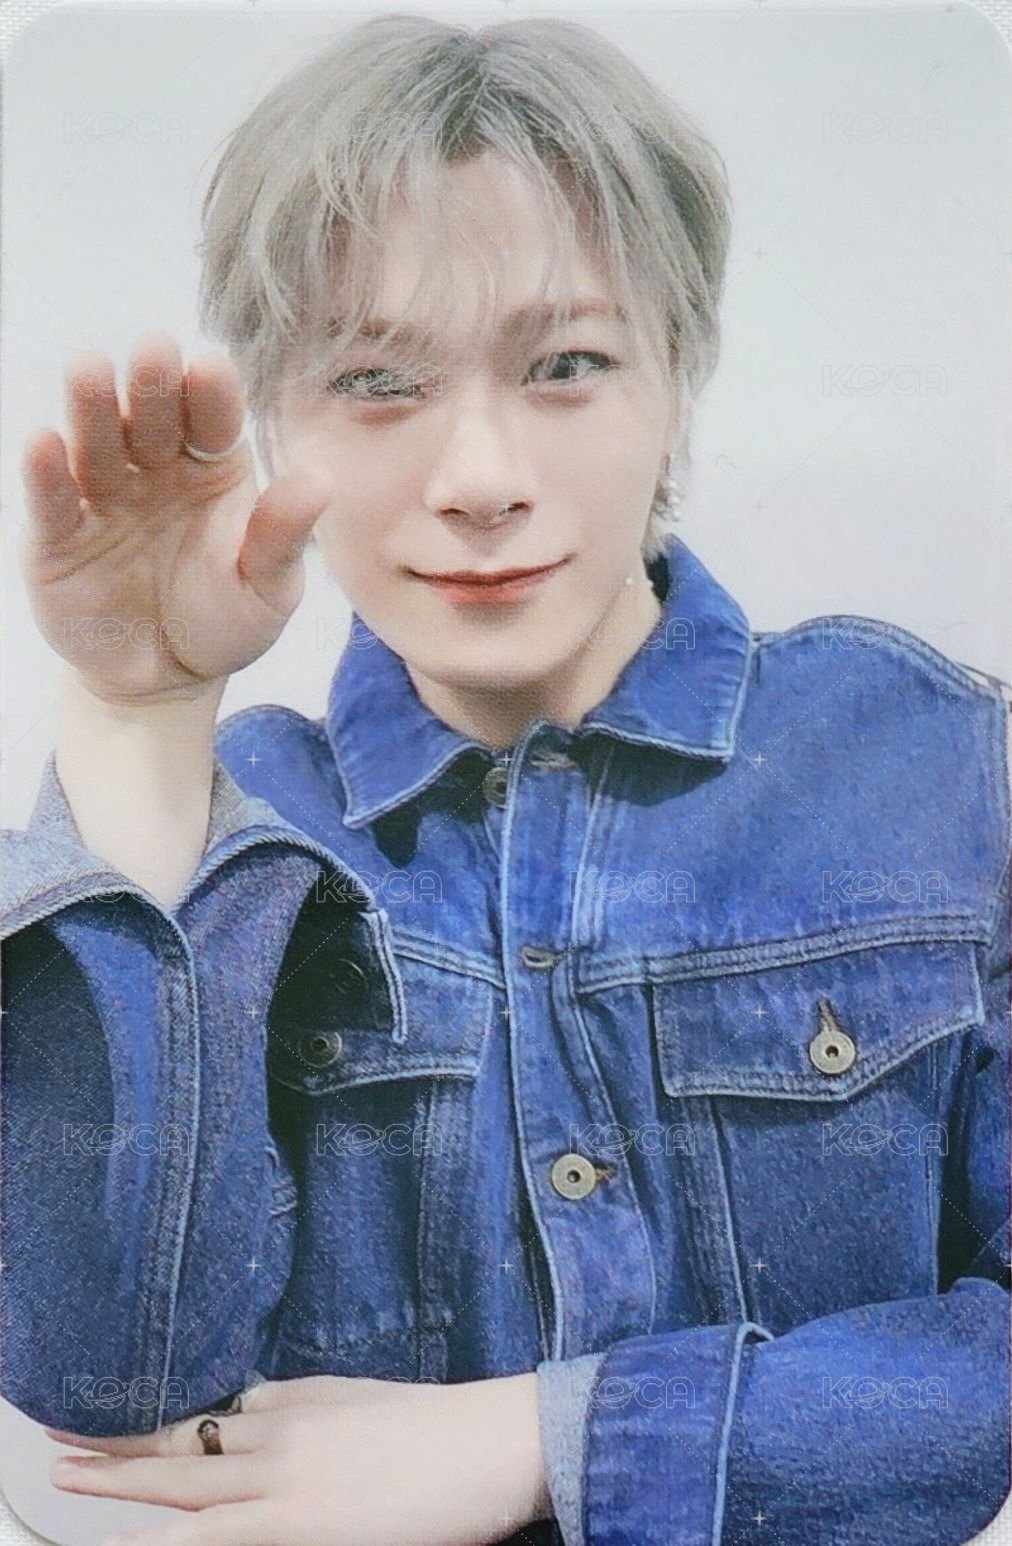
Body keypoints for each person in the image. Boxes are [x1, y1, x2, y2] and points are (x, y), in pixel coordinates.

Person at [3, 13, 1009, 1546]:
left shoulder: (939, 759)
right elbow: (112, 1394)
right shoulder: (235, 825)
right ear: (275, 413)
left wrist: (549, 1440)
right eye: (378, 380)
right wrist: (140, 714)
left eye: (566, 364)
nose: (479, 478)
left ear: (677, 373)